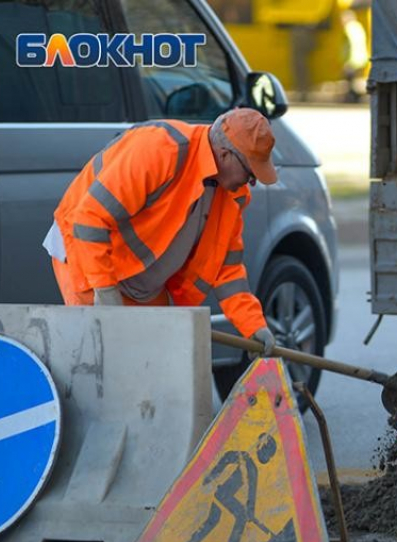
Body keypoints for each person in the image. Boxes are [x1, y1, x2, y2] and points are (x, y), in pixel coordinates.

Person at [42, 108, 278, 356]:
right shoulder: (161, 149)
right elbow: (88, 221)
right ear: (225, 154)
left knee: (156, 365)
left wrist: (254, 327)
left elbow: (227, 272)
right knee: (107, 365)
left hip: (141, 281)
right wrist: (107, 295)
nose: (252, 182)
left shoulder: (232, 195)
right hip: (85, 254)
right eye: (250, 172)